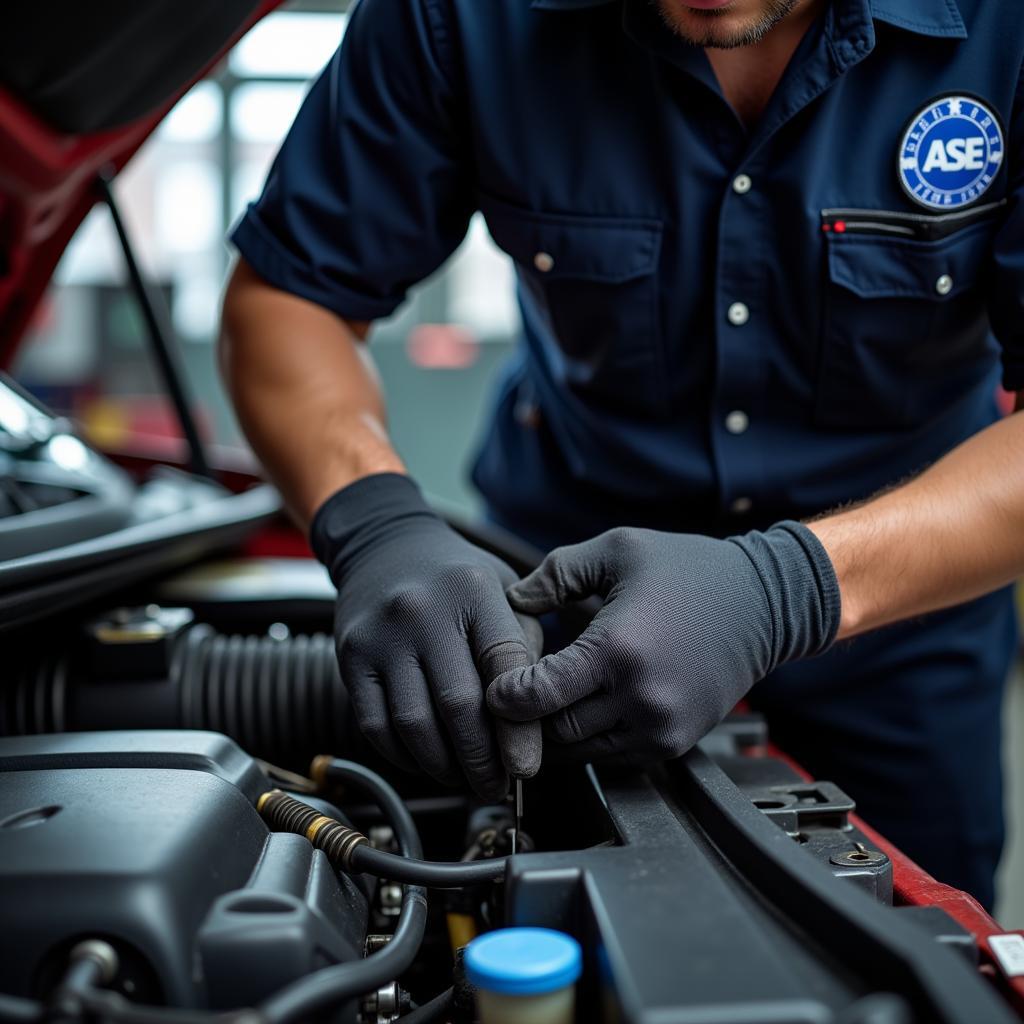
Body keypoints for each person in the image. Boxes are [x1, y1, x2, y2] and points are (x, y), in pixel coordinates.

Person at [219, 0, 1024, 909]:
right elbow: (290, 300)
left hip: (897, 633)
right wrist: (375, 520)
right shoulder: (458, 16)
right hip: (557, 621)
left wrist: (785, 588)